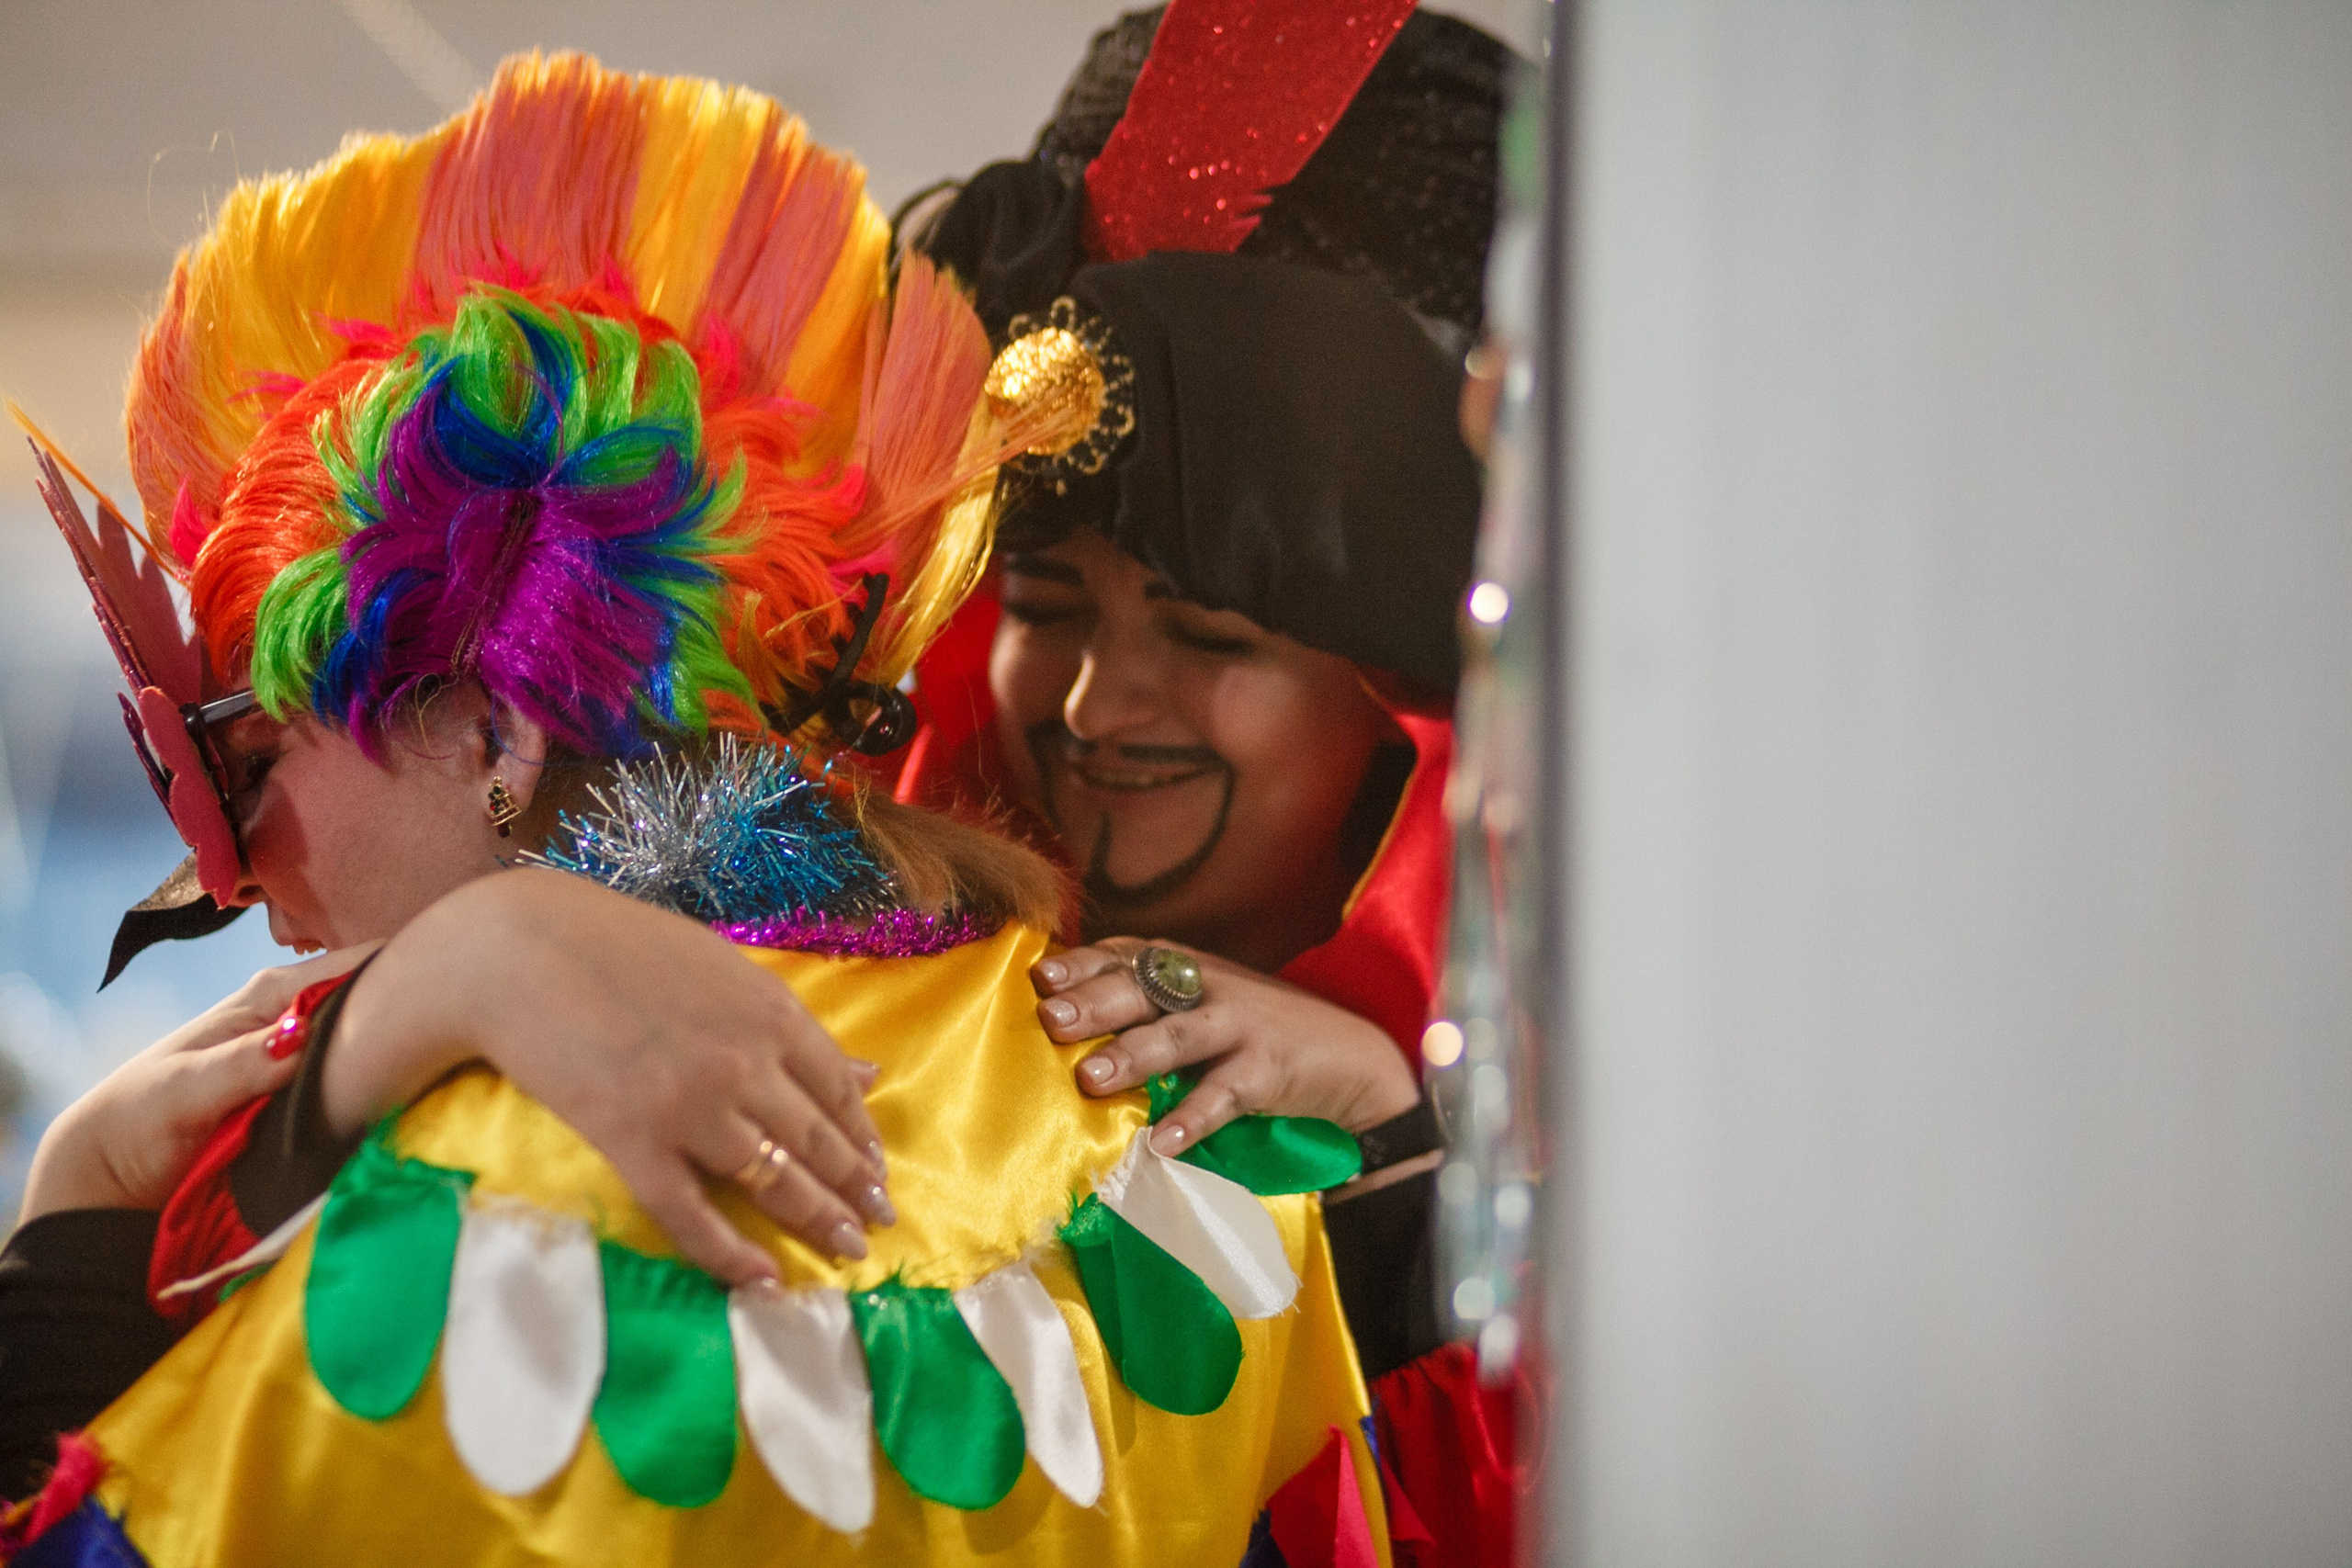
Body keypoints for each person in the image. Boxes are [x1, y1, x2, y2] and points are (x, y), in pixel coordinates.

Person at [0, 53, 1389, 1568]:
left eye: (260, 765)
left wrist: (72, 1218)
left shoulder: (437, 1230)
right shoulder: (1177, 1140)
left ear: (496, 732)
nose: (247, 879)